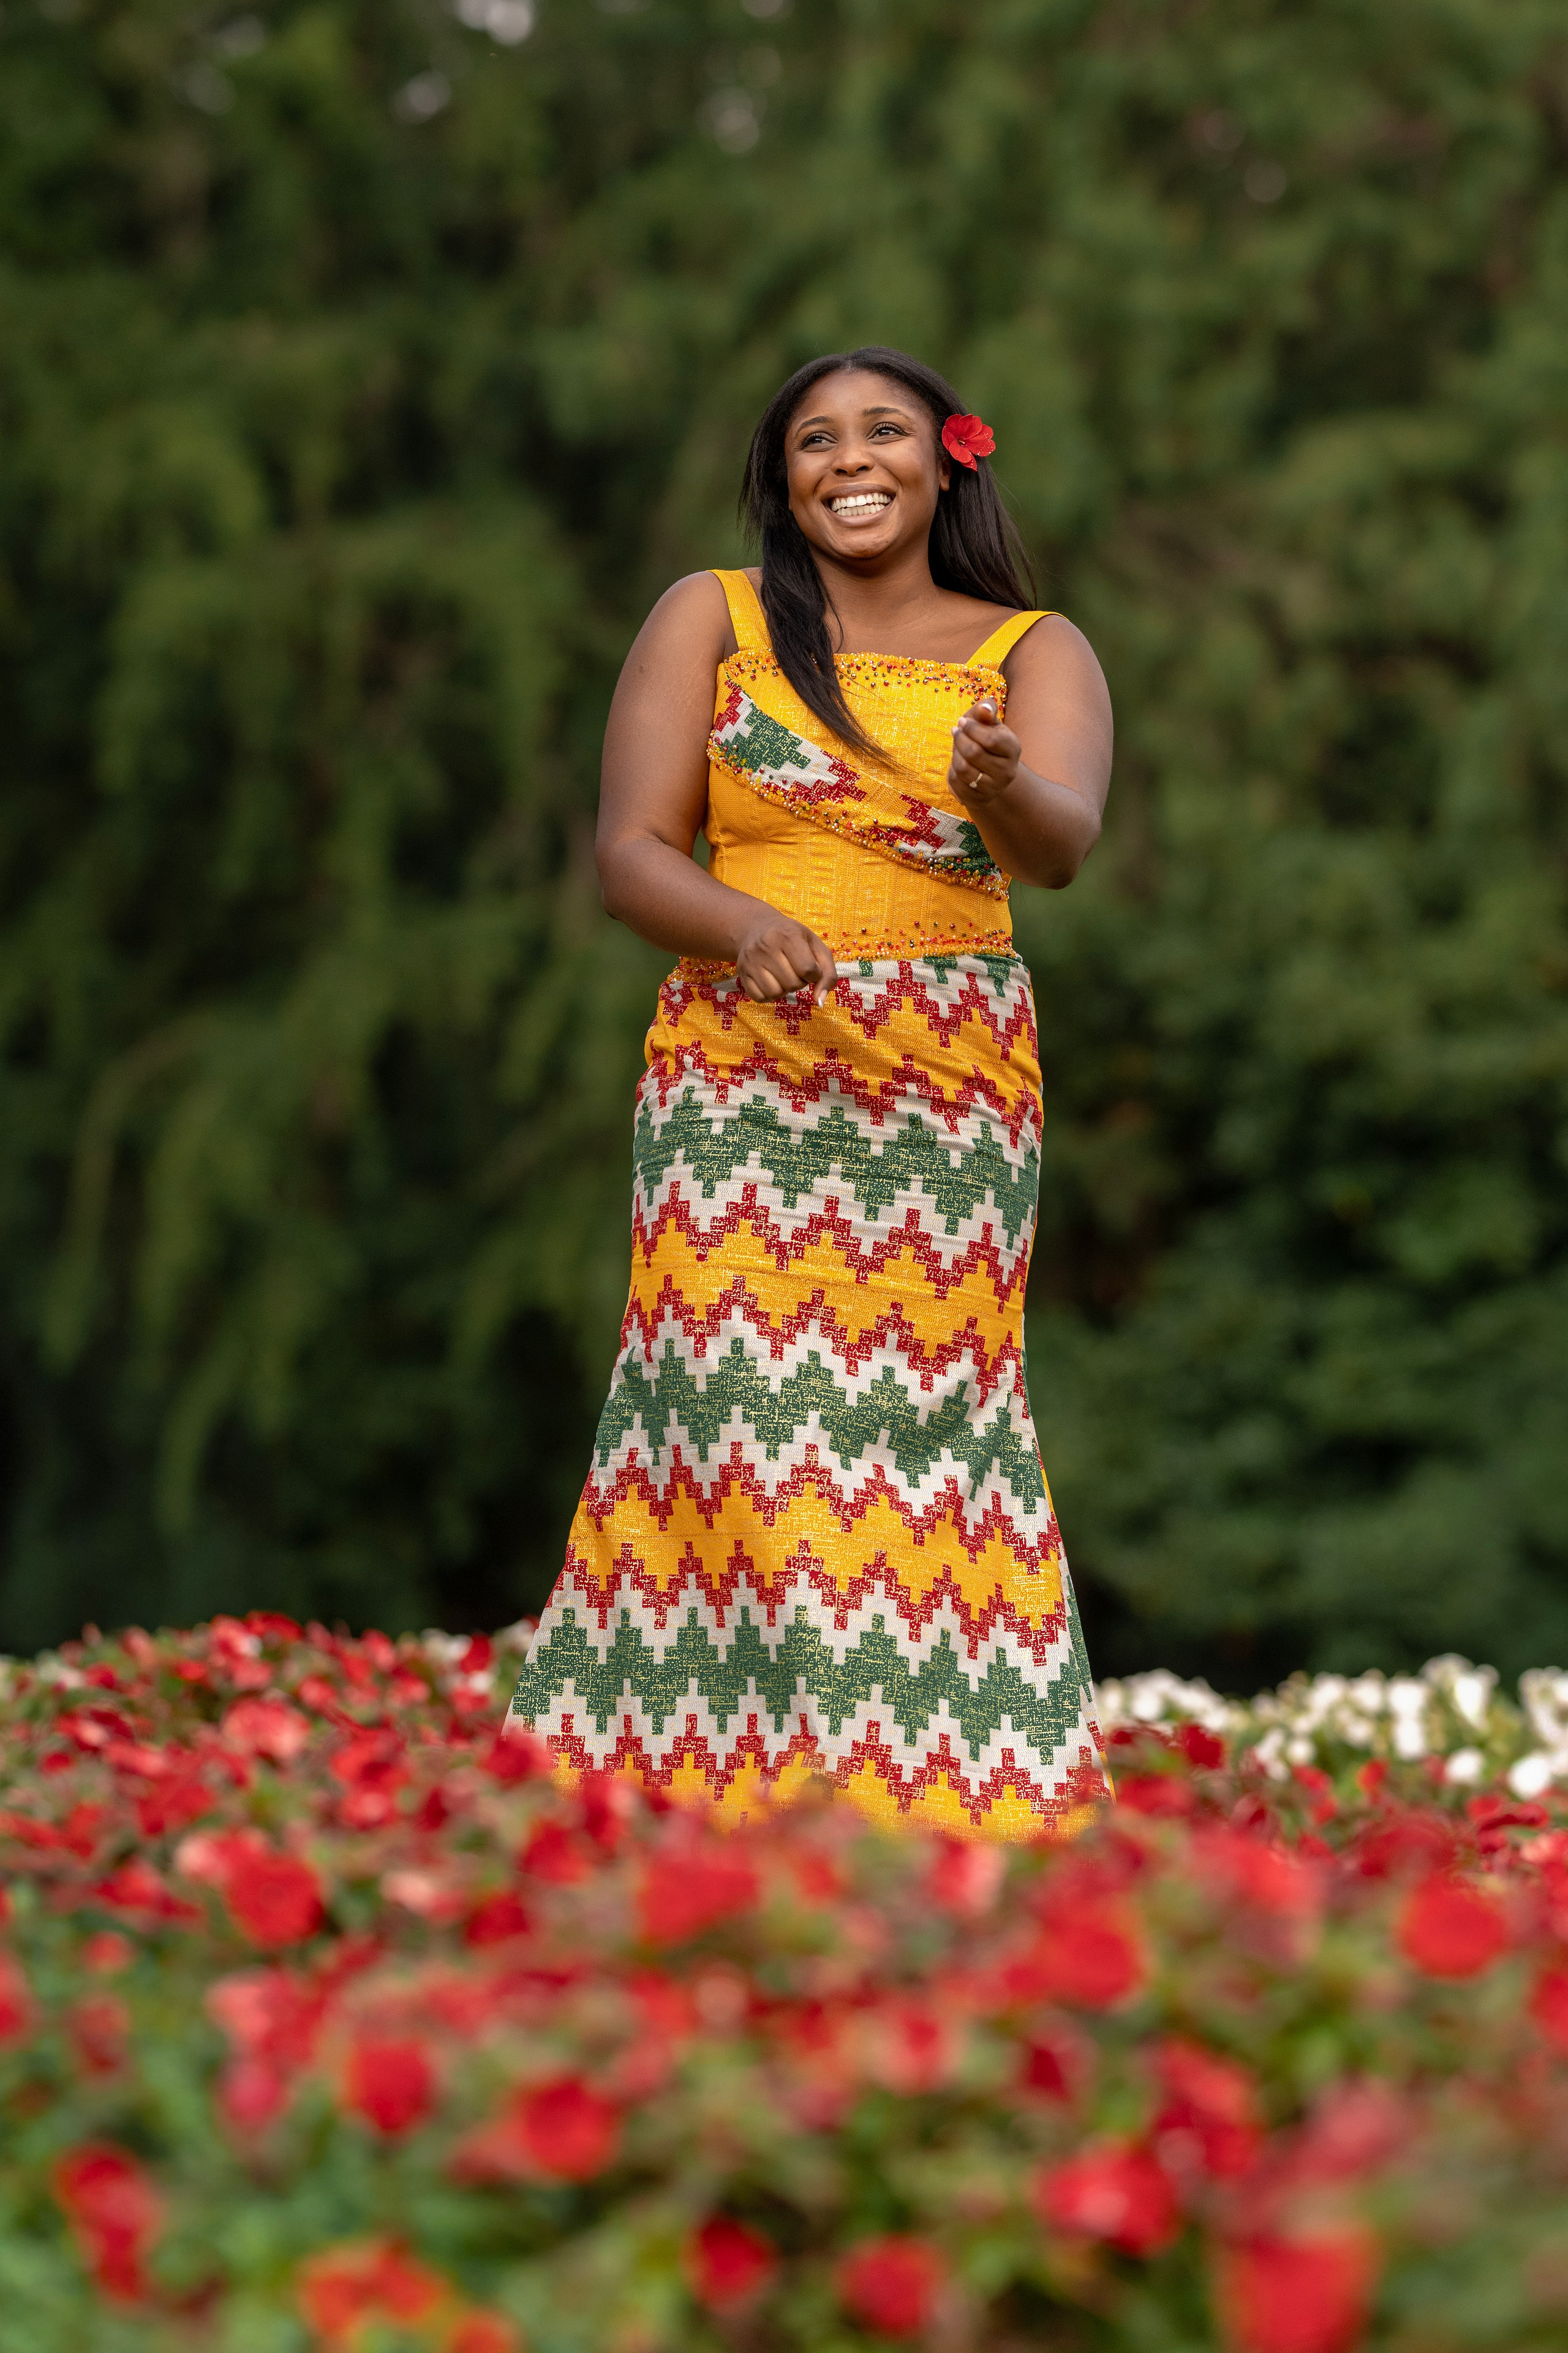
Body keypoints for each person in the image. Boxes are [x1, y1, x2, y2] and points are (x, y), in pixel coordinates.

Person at [508, 346, 1114, 1839]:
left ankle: (949, 1797)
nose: (849, 460)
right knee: (733, 1414)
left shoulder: (1035, 647)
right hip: (741, 1074)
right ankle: (698, 1788)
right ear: (782, 476)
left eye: (885, 430)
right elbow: (630, 850)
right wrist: (744, 927)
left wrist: (990, 783)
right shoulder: (707, 619)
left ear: (944, 460)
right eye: (813, 440)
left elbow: (1060, 844)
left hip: (947, 1089)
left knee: (923, 1439)